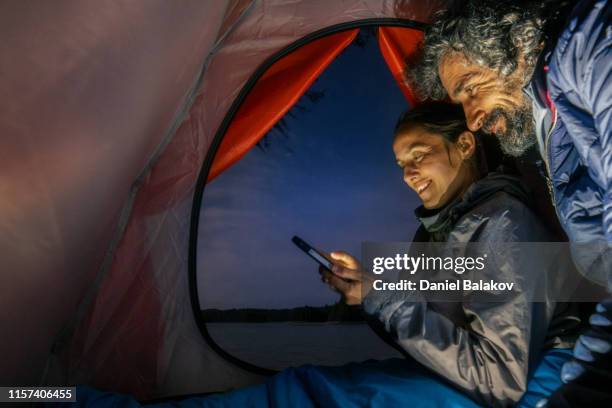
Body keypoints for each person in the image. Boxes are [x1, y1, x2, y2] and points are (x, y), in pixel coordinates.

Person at [405, 1, 612, 404]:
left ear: (516, 46)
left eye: (470, 89)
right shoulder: (549, 129)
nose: (471, 120)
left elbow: (501, 367)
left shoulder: (589, 52)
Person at [320, 102, 580, 407]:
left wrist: (379, 298)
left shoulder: (502, 224)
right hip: (471, 373)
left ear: (465, 144)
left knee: (310, 393)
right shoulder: (433, 235)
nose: (407, 174)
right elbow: (425, 338)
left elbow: (498, 378)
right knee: (320, 383)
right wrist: (366, 293)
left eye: (418, 155)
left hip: (539, 379)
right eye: (401, 164)